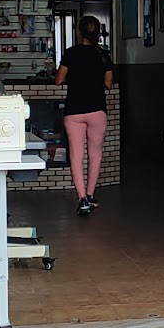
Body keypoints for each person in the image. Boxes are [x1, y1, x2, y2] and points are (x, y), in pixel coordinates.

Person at [56, 16, 112, 216]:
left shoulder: (71, 53)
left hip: (74, 111)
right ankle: (90, 194)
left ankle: (82, 199)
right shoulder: (103, 55)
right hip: (97, 110)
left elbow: (58, 80)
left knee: (76, 155)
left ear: (79, 33)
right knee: (95, 154)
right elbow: (108, 84)